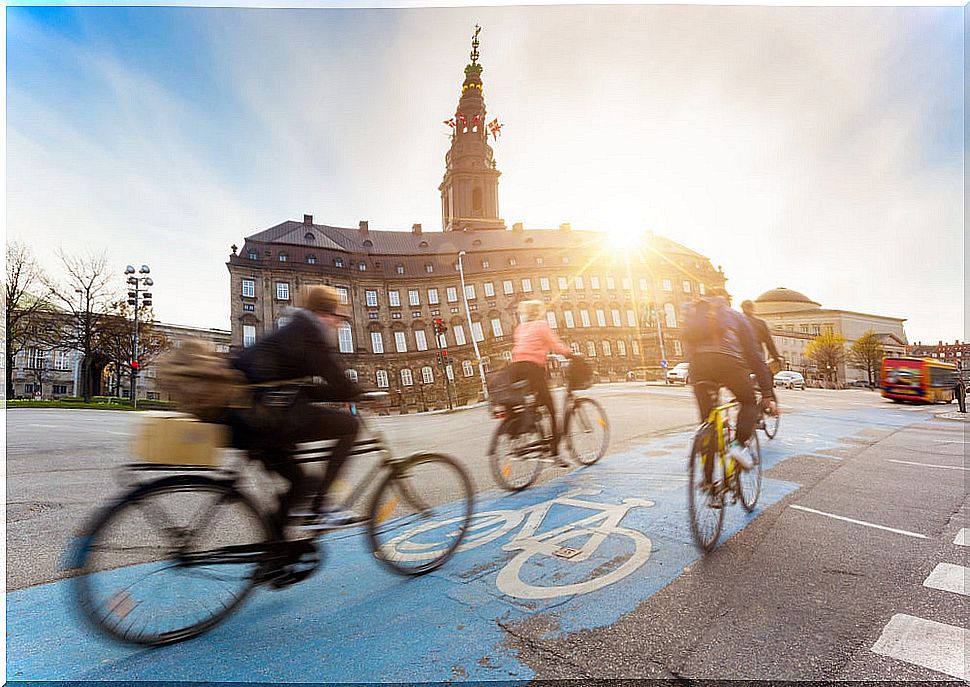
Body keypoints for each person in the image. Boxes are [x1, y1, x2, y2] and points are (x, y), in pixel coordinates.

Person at [229, 285, 362, 537]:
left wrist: (349, 392)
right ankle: (322, 505)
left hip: (252, 418)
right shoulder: (309, 331)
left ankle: (273, 557)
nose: (339, 324)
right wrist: (359, 392)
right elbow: (338, 380)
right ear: (325, 313)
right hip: (263, 419)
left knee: (301, 485)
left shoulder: (296, 329)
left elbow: (307, 391)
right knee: (350, 425)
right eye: (338, 316)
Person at [684, 289, 779, 471]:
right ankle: (738, 446)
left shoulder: (693, 313)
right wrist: (767, 392)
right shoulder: (735, 317)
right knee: (749, 401)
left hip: (699, 366)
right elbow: (753, 355)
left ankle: (709, 487)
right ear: (725, 300)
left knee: (708, 420)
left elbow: (687, 345)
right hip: (729, 364)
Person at [511, 299, 572, 463]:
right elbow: (555, 344)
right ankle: (555, 452)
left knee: (534, 404)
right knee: (552, 409)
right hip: (533, 369)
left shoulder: (520, 328)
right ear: (538, 312)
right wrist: (570, 354)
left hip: (517, 368)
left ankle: (529, 429)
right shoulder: (541, 325)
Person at [740, 299, 783, 372]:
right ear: (753, 309)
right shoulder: (760, 323)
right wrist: (776, 357)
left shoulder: (736, 321)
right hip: (755, 357)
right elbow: (769, 342)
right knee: (763, 378)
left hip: (738, 357)